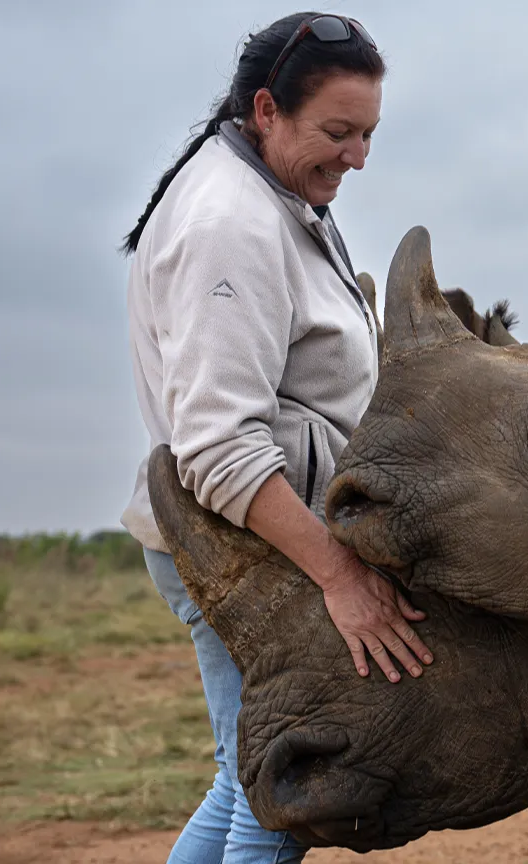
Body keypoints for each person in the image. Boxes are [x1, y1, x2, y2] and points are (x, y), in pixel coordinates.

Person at [117, 11, 433, 862]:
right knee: (283, 791)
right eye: (337, 131)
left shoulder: (276, 194)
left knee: (244, 780)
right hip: (247, 547)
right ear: (266, 111)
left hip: (255, 542)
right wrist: (339, 576)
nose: (357, 156)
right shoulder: (232, 222)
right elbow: (219, 449)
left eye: (367, 134)